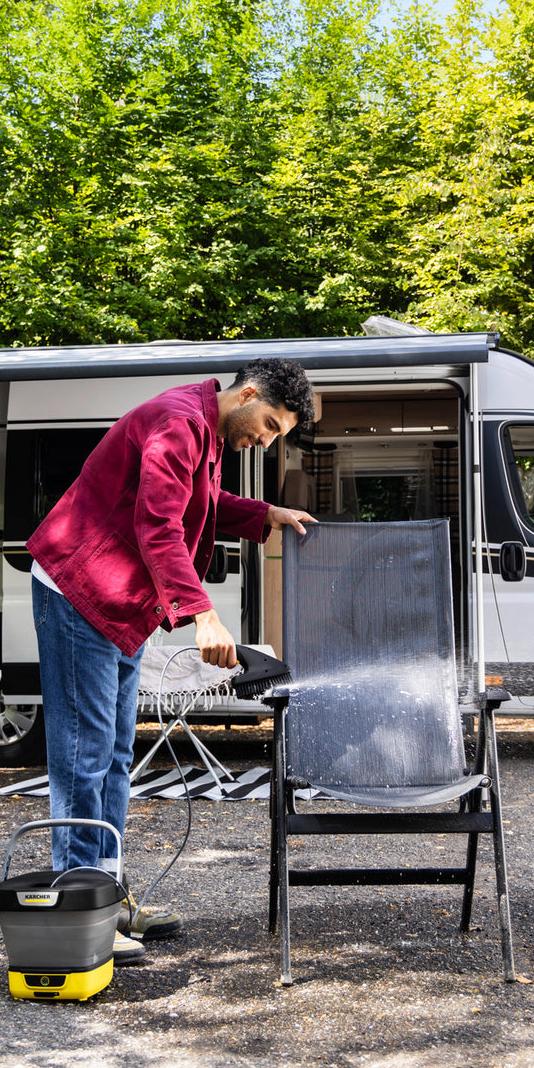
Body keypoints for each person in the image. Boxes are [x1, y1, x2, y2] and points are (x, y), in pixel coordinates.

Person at [27, 357, 316, 963]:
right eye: (267, 425)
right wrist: (201, 614)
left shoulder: (204, 431)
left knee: (114, 751)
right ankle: (80, 905)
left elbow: (202, 501)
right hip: (79, 587)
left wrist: (263, 514)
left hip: (120, 601)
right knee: (84, 752)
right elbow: (157, 524)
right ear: (249, 394)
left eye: (275, 436)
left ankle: (104, 892)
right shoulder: (176, 423)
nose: (264, 441)